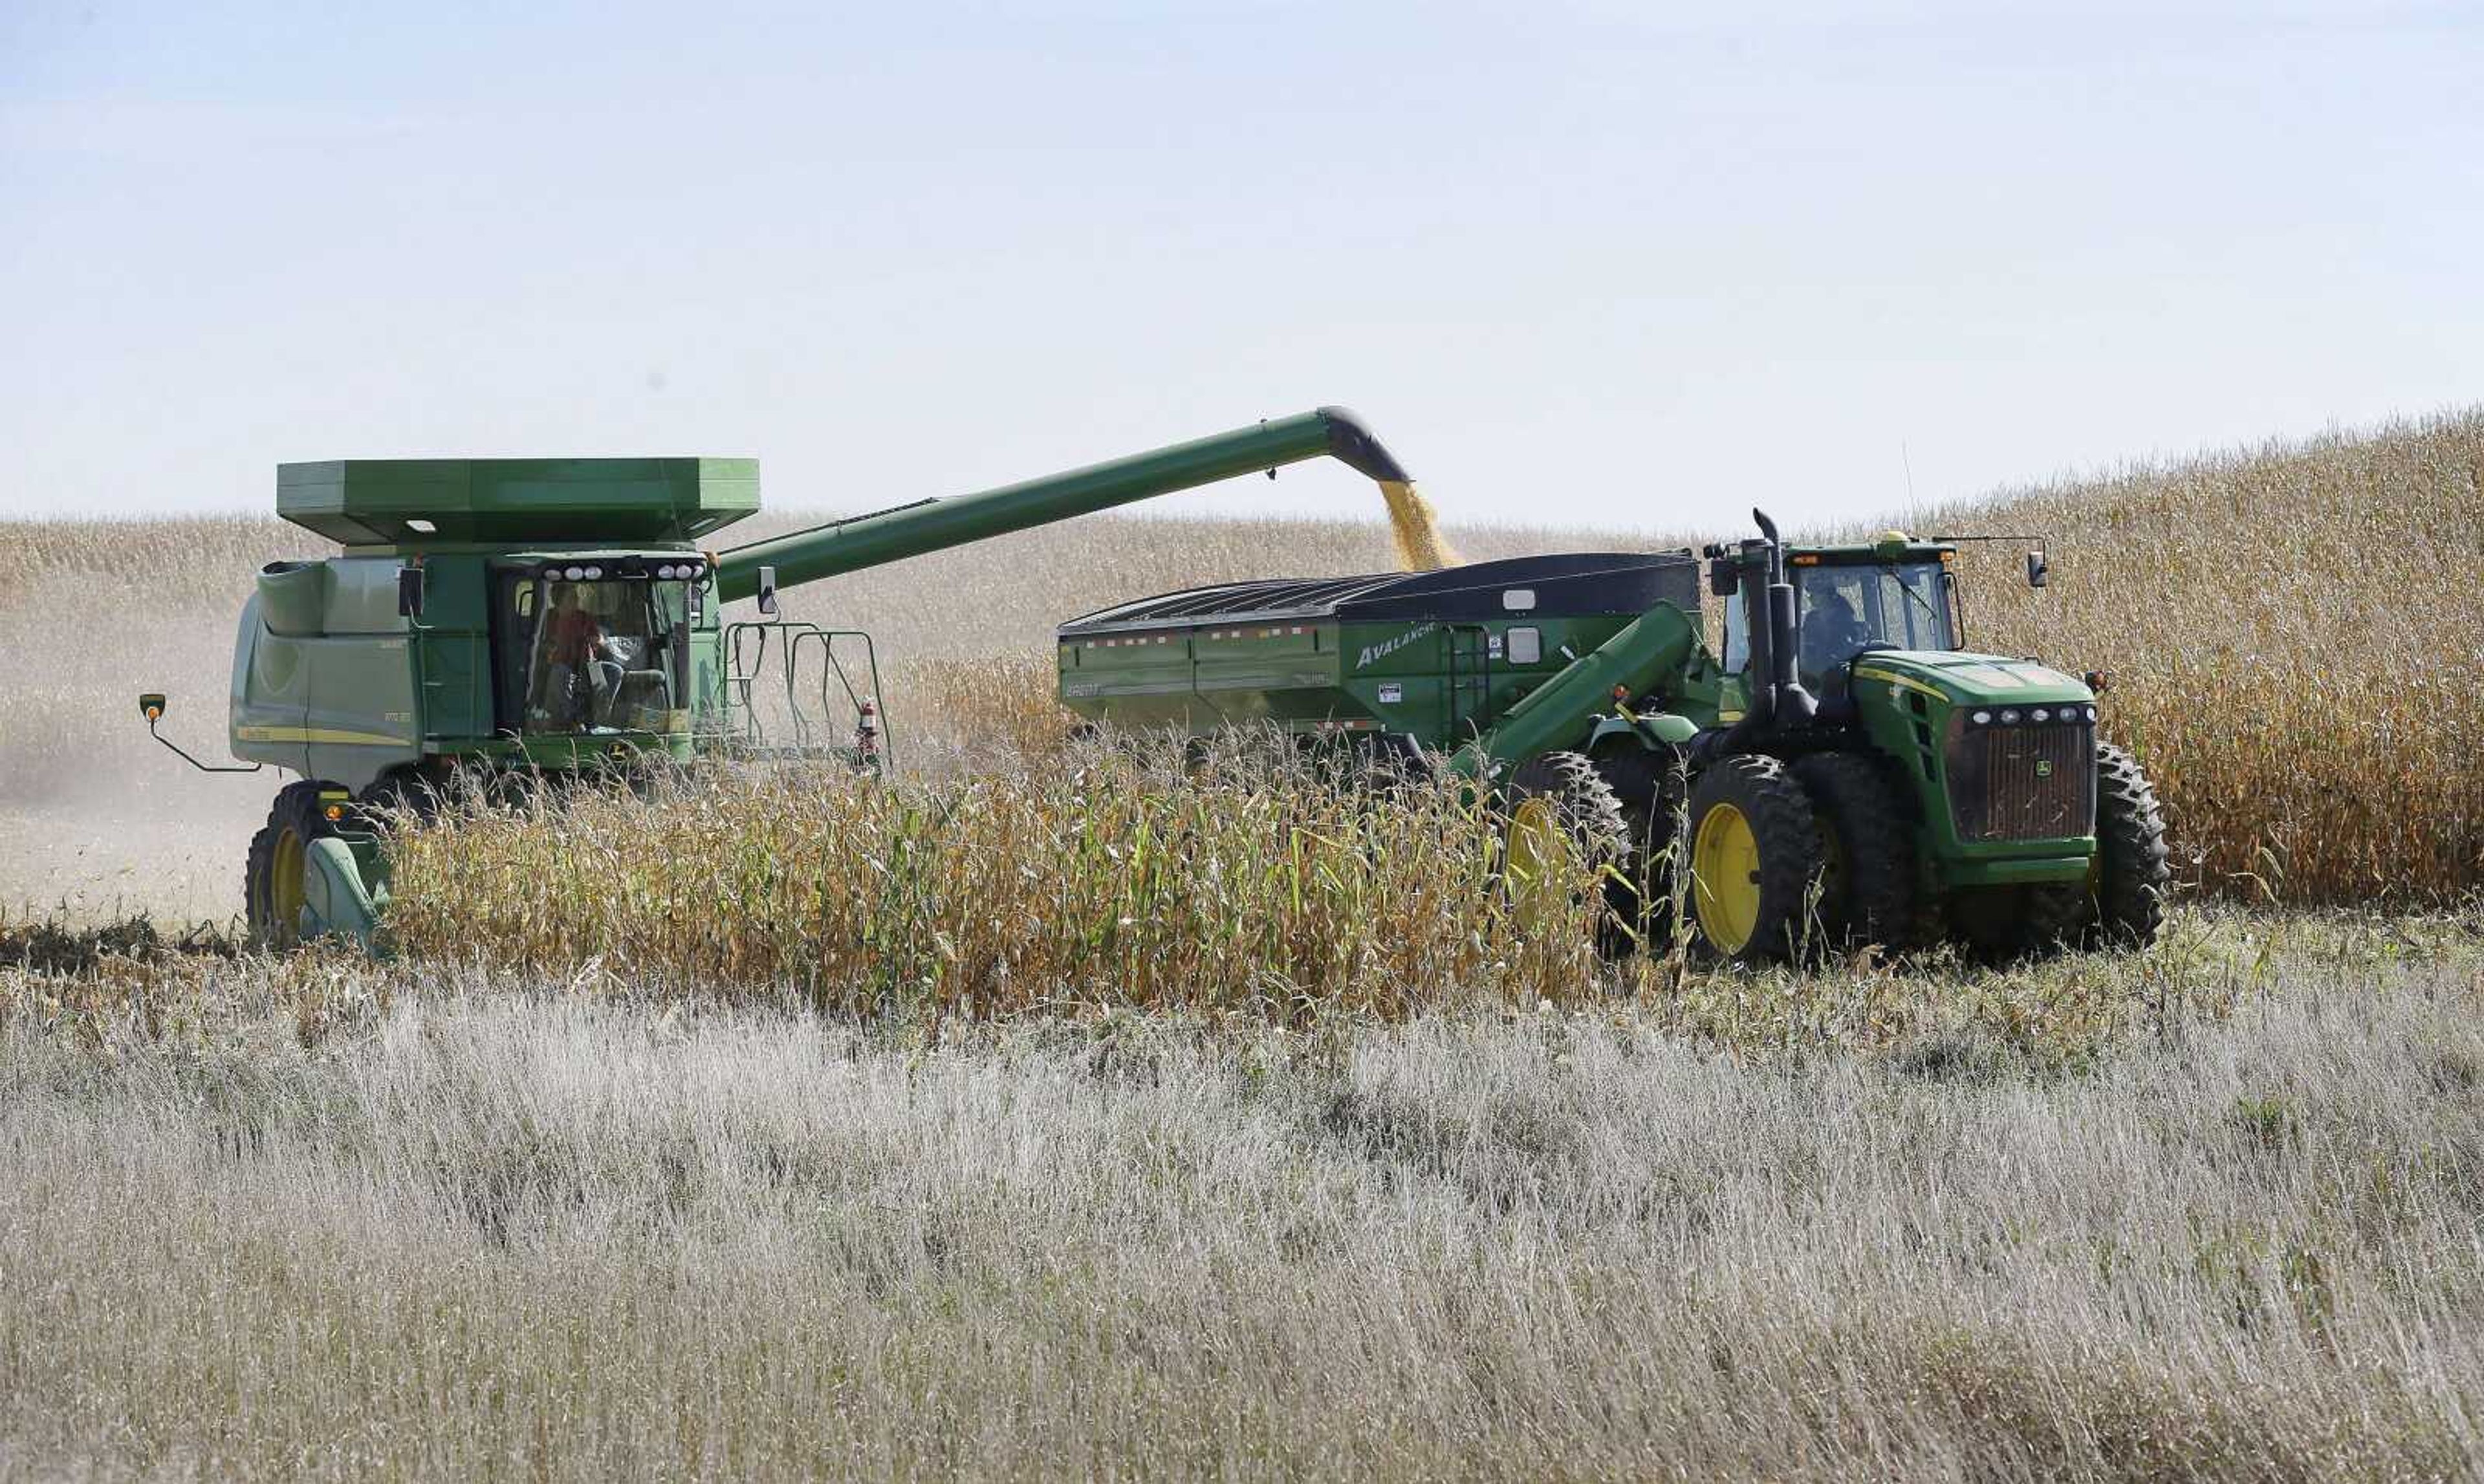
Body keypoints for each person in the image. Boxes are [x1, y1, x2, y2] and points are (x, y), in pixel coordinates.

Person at [542, 584, 610, 728]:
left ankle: (601, 722)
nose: (577, 599)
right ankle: (573, 720)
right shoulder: (548, 618)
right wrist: (551, 647)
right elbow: (542, 644)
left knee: (613, 672)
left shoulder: (584, 617)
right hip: (558, 664)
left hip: (586, 664)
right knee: (561, 673)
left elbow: (600, 640)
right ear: (558, 600)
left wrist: (597, 640)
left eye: (576, 596)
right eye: (572, 596)